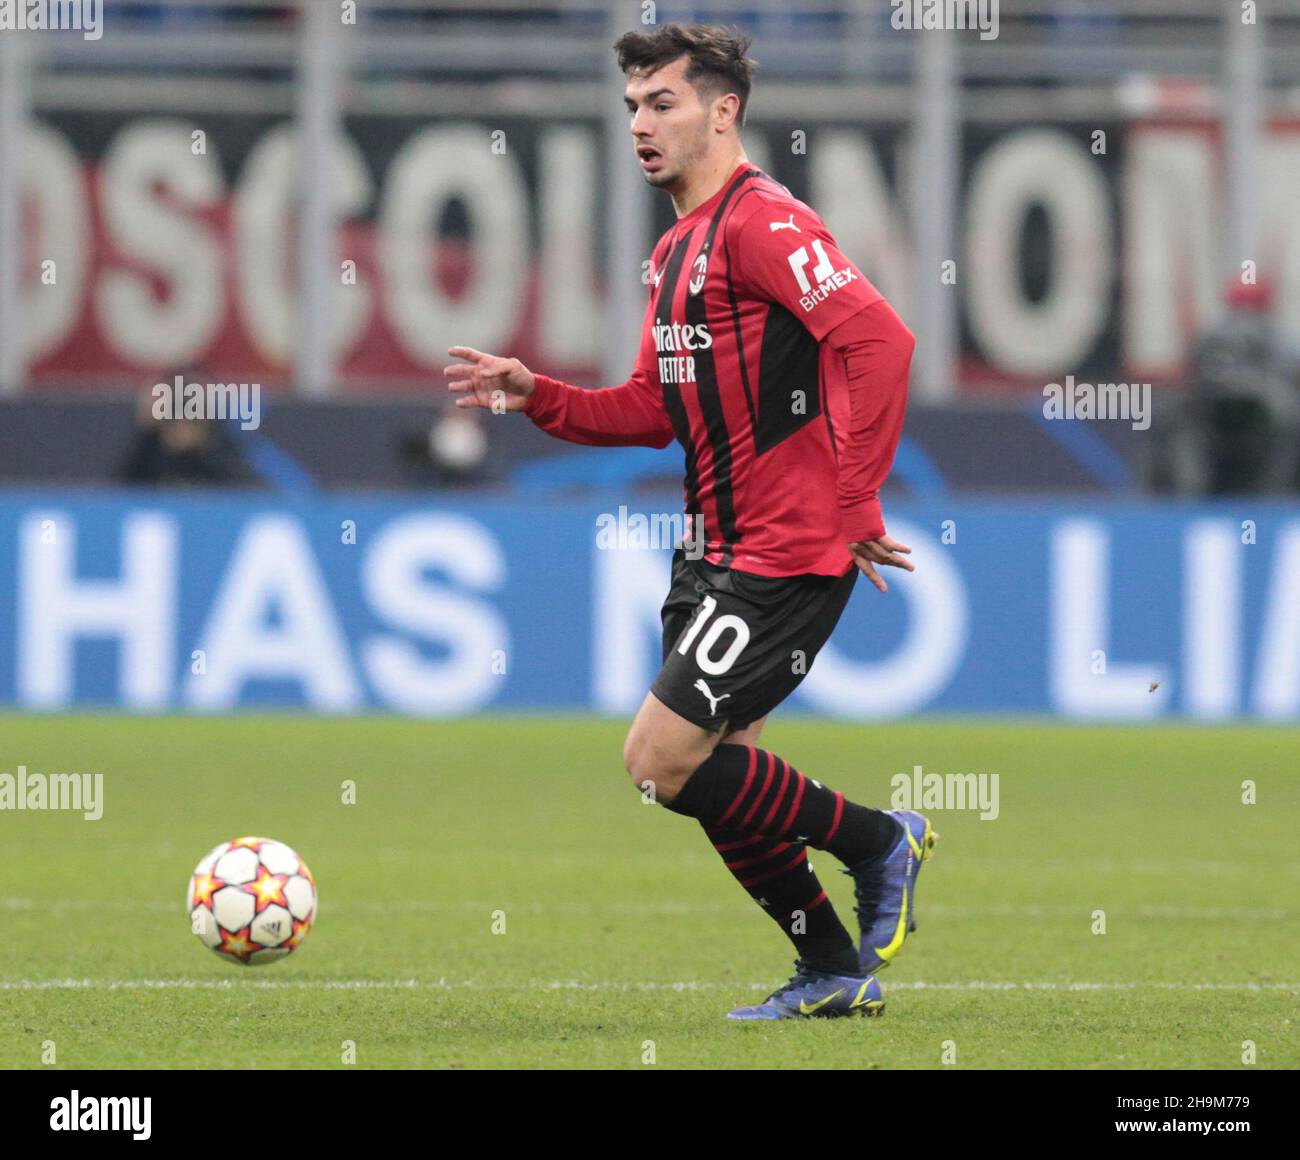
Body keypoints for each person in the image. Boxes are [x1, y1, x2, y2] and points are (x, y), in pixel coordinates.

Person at [445, 23, 933, 1021]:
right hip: (711, 550)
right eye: (630, 105)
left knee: (658, 760)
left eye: (661, 101)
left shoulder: (765, 226)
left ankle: (879, 838)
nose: (639, 122)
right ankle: (834, 969)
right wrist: (536, 392)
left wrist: (853, 502)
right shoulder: (675, 250)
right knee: (717, 773)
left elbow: (881, 340)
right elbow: (653, 408)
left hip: (785, 551)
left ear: (723, 112)